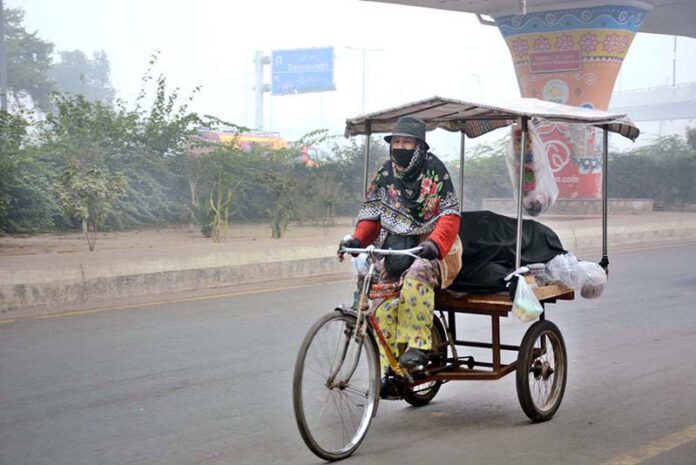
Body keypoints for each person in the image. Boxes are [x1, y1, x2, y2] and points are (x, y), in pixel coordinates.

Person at [339, 115, 462, 387]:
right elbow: (372, 215)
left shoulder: (435, 171)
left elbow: (450, 215)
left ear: (419, 147)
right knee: (380, 305)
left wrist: (435, 242)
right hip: (395, 248)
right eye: (396, 142)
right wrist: (358, 240)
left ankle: (418, 346)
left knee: (416, 277)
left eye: (407, 142)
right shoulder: (385, 173)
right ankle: (392, 369)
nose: (400, 147)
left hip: (434, 249)